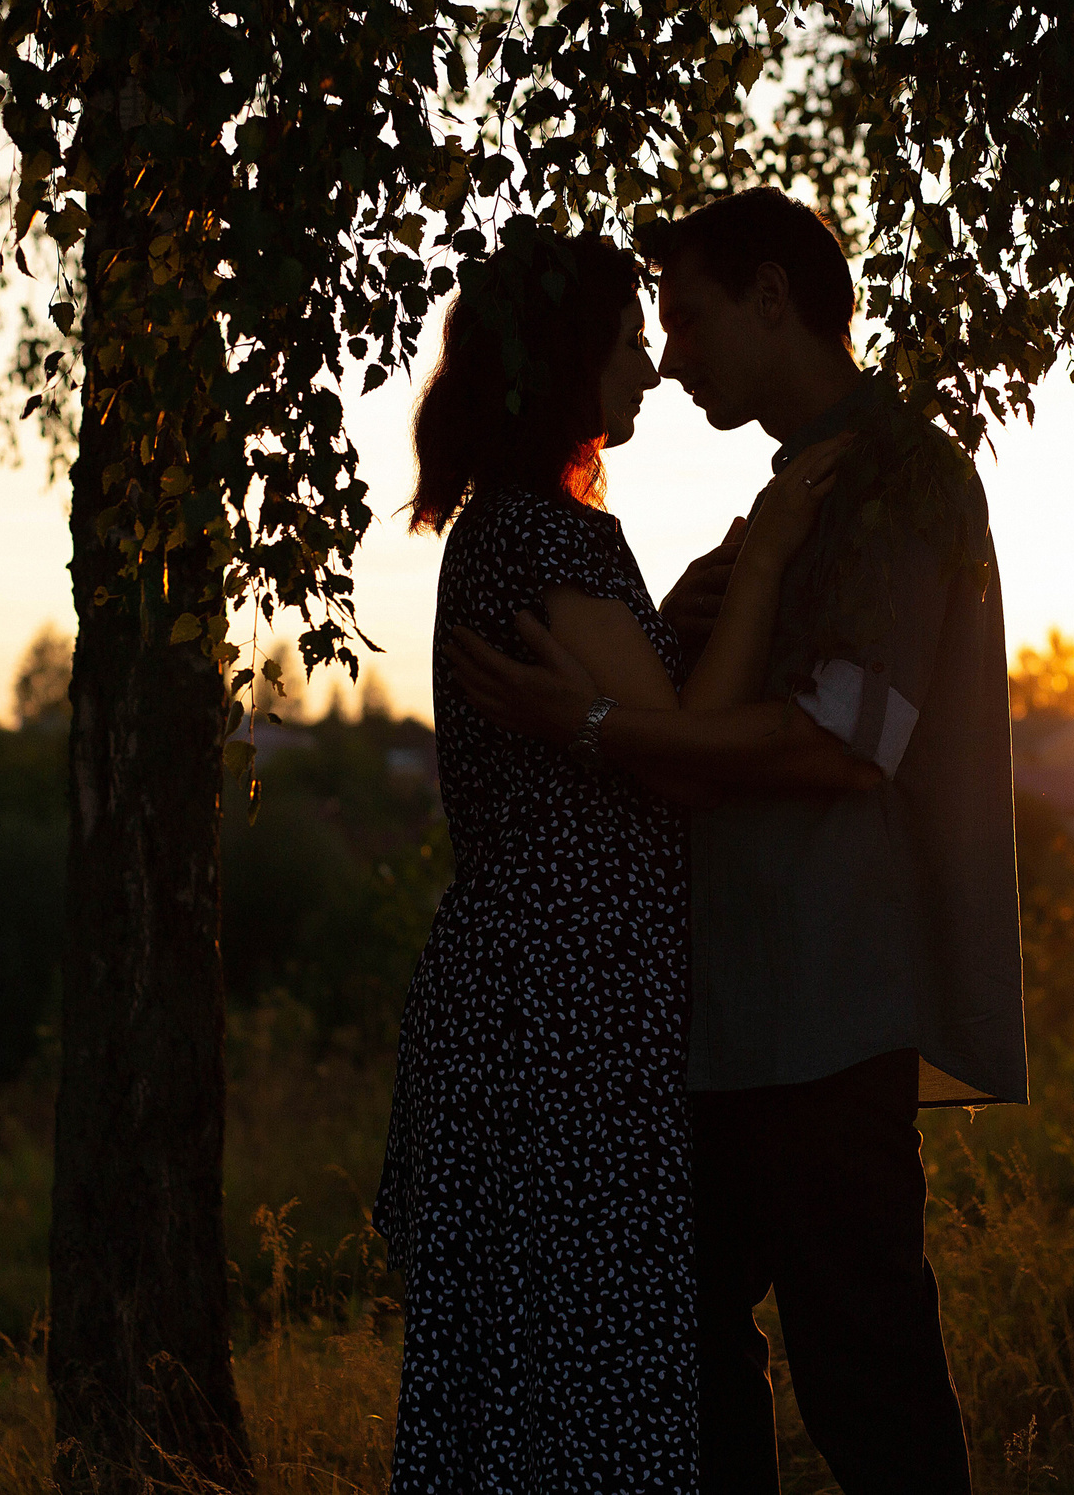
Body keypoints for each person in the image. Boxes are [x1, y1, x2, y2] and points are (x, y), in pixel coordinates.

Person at [448, 187, 1029, 1495]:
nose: (674, 353)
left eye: (692, 315)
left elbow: (841, 741)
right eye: (660, 323)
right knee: (697, 1374)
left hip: (826, 1010)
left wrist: (594, 719)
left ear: (776, 296)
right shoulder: (787, 495)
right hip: (718, 1018)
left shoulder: (901, 476)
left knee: (865, 1372)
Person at [375, 226, 854, 1493]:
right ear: (566, 365)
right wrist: (767, 554)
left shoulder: (514, 530)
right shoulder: (551, 538)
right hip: (572, 1009)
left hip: (533, 993)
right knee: (592, 1367)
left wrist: (697, 589)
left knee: (527, 1368)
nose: (648, 370)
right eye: (628, 344)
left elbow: (633, 697)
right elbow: (685, 752)